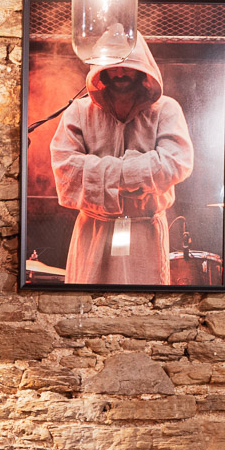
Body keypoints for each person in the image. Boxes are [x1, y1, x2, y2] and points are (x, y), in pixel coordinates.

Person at [48, 36, 194, 285]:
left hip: (144, 233)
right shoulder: (78, 112)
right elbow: (66, 170)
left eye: (127, 64)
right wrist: (139, 175)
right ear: (100, 68)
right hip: (94, 232)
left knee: (144, 302)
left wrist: (99, 173)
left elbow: (174, 164)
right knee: (87, 300)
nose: (120, 73)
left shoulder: (166, 109)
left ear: (142, 66)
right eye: (113, 66)